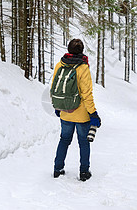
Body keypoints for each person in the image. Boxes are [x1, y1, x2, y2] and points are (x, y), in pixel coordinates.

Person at [51, 39, 101, 181]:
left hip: (65, 112)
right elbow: (86, 94)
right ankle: (84, 172)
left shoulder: (60, 64)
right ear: (82, 50)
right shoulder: (83, 68)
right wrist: (93, 113)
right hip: (81, 114)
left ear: (68, 49)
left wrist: (57, 106)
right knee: (83, 142)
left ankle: (57, 169)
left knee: (64, 140)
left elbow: (54, 87)